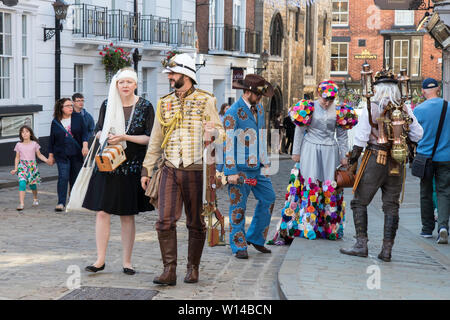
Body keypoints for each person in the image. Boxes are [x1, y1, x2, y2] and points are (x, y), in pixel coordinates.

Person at [141, 53, 223, 285]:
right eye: (169, 73)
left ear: (186, 75)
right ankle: (169, 270)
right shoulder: (164, 102)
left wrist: (213, 132)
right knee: (164, 221)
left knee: (196, 222)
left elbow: (221, 133)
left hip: (196, 170)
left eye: (173, 73)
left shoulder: (207, 100)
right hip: (169, 168)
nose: (170, 77)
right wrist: (146, 170)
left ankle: (193, 268)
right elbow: (156, 138)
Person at [340, 69, 423, 261]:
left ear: (376, 88)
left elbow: (360, 137)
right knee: (391, 205)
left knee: (359, 201)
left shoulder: (373, 105)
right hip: (397, 159)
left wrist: (352, 160)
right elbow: (418, 135)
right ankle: (387, 251)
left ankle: (361, 245)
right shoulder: (404, 108)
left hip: (375, 157)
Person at [83, 67, 155, 275]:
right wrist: (104, 136)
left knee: (127, 215)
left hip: (131, 166)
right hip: (107, 165)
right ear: (116, 85)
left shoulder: (145, 106)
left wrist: (124, 137)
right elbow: (97, 130)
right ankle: (100, 259)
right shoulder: (108, 104)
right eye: (121, 82)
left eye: (129, 82)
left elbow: (150, 138)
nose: (125, 86)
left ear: (135, 85)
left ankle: (127, 261)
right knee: (102, 212)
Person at [268, 80, 351, 245]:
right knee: (310, 183)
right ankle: (308, 225)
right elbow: (299, 131)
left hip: (329, 150)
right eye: (325, 98)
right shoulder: (308, 107)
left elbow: (342, 135)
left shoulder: (340, 110)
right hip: (311, 148)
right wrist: (296, 152)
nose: (327, 102)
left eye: (331, 99)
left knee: (329, 185)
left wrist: (344, 155)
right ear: (319, 94)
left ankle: (330, 226)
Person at [223, 74, 276, 259]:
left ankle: (255, 237)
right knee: (238, 207)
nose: (260, 98)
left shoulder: (259, 109)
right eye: (258, 94)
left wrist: (266, 163)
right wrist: (229, 172)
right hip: (239, 169)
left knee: (269, 198)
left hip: (258, 167)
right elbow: (227, 143)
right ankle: (238, 245)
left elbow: (261, 136)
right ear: (247, 92)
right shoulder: (232, 113)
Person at [413, 78, 449, 244]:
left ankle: (427, 229)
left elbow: (413, 134)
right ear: (438, 90)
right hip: (446, 157)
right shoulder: (448, 107)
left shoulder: (418, 110)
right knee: (444, 191)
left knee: (425, 192)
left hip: (425, 157)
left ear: (423, 91)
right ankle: (443, 226)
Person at [48, 98, 89, 212]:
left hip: (76, 153)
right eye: (68, 106)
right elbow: (52, 139)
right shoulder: (55, 121)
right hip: (61, 154)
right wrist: (50, 156)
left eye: (71, 105)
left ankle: (73, 200)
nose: (71, 107)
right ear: (61, 108)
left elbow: (85, 133)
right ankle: (61, 202)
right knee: (63, 177)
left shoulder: (78, 118)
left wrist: (85, 146)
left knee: (75, 178)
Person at [10, 125, 50, 211]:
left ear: (30, 133)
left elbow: (39, 155)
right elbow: (17, 157)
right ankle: (21, 203)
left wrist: (47, 160)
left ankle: (35, 198)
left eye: (27, 131)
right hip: (22, 166)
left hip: (32, 167)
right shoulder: (18, 145)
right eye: (23, 132)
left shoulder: (34, 144)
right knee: (22, 183)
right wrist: (16, 168)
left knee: (32, 185)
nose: (25, 133)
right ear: (21, 134)